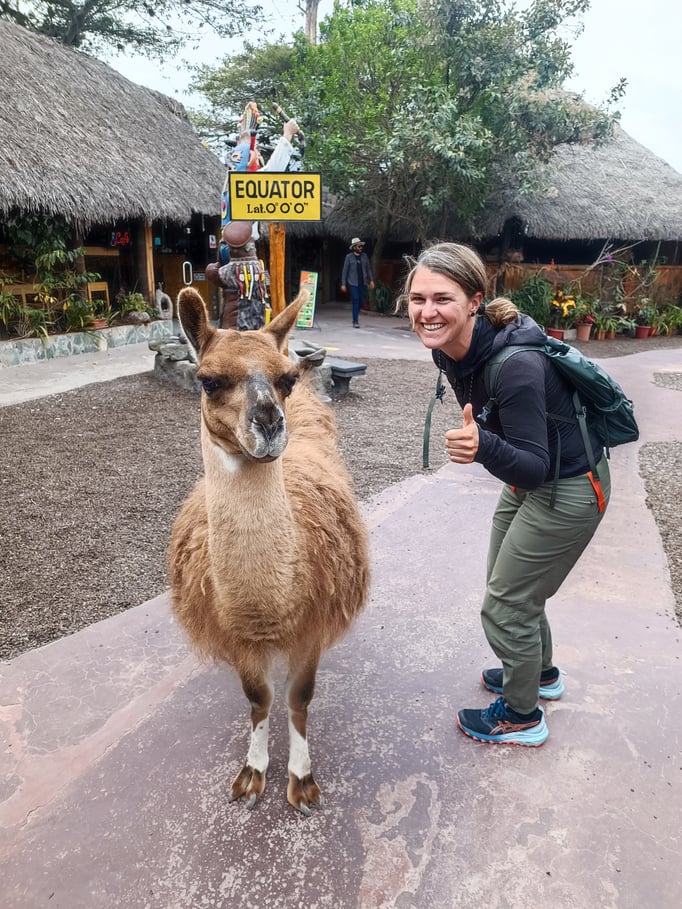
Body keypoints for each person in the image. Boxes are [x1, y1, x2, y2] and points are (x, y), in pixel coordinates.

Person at [402, 242, 611, 746]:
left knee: (504, 603)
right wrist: (491, 443)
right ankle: (539, 675)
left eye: (442, 299)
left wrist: (482, 445)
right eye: (417, 299)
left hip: (568, 487)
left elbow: (535, 466)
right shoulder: (449, 349)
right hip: (535, 479)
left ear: (475, 301)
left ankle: (522, 716)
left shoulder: (514, 363)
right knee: (512, 584)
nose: (427, 312)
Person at [341, 238, 375, 327]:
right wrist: (343, 284)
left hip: (362, 283)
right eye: (359, 246)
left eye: (361, 246)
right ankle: (355, 321)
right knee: (355, 300)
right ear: (354, 247)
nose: (361, 248)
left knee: (361, 300)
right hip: (353, 283)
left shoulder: (364, 256)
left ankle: (356, 311)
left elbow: (368, 269)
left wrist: (371, 280)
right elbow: (345, 271)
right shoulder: (349, 257)